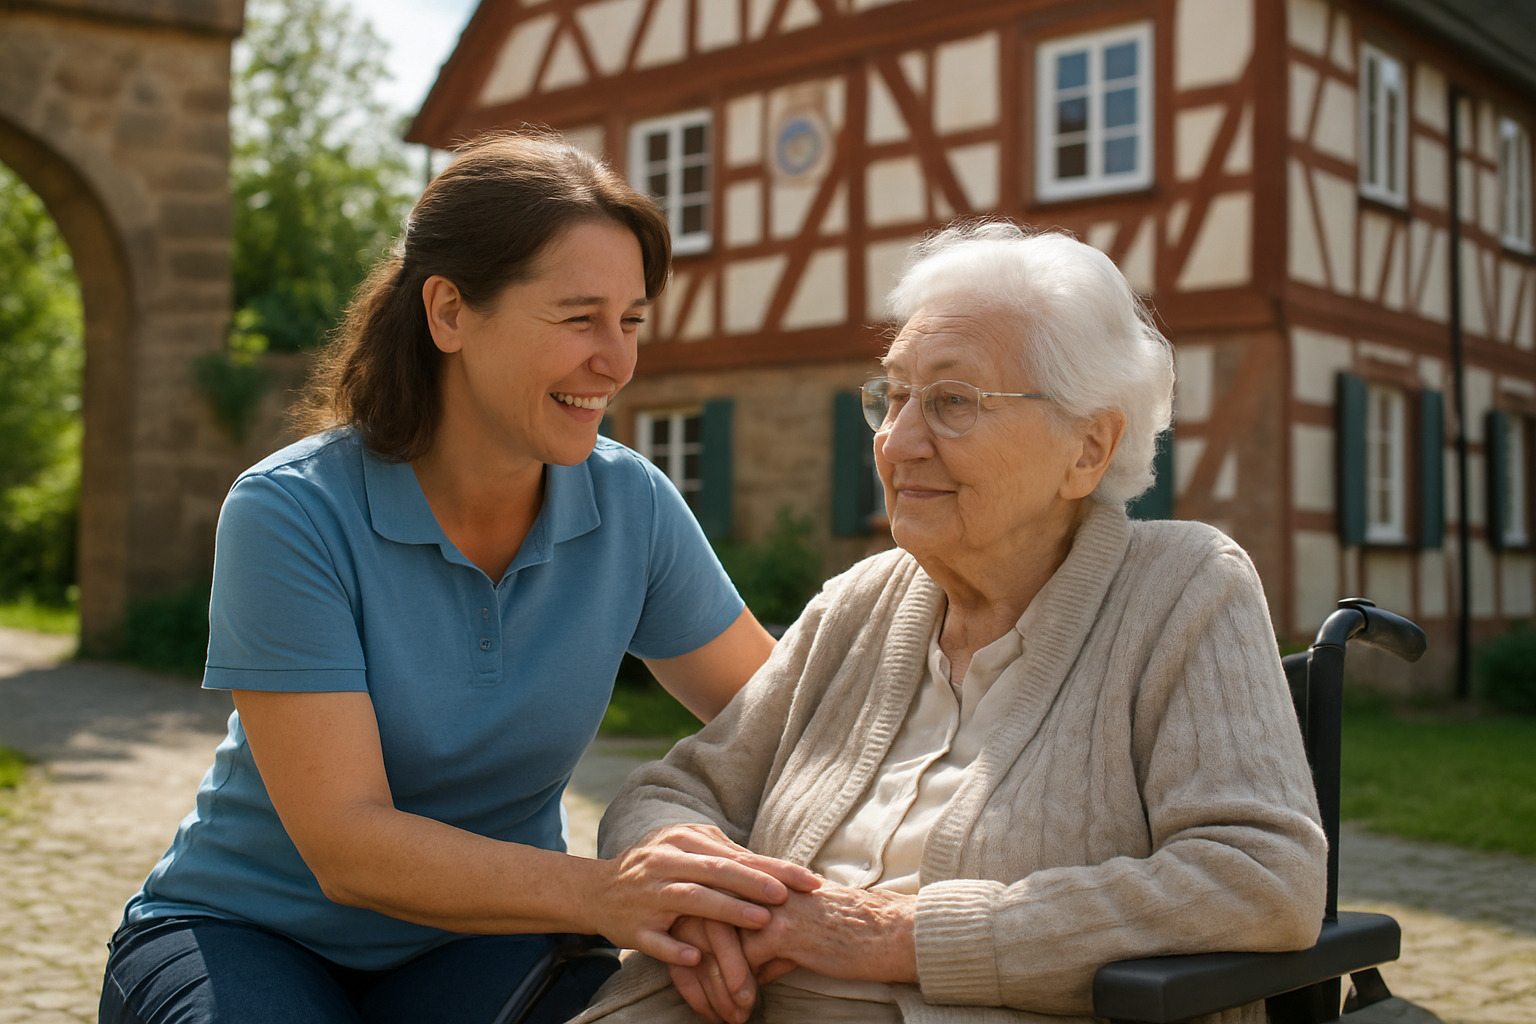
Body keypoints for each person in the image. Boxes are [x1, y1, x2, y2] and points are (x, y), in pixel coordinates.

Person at [98, 132, 819, 1024]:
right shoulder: (291, 511)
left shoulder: (631, 506)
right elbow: (347, 844)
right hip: (247, 930)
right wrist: (605, 892)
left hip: (491, 938)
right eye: (577, 317)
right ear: (448, 313)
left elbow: (784, 727)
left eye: (630, 321)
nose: (618, 361)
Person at [570, 222, 1328, 1024]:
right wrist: (701, 893)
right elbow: (675, 789)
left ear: (1089, 447)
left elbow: (1261, 878)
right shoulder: (862, 602)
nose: (897, 443)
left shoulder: (1184, 589)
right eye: (893, 396)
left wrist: (905, 936)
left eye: (953, 403)